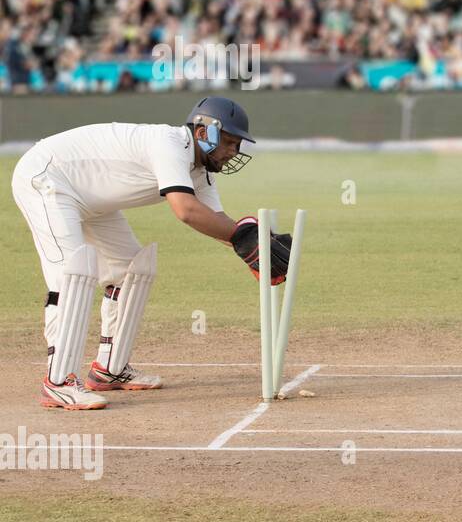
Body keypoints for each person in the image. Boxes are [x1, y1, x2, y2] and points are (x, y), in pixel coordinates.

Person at [10, 96, 294, 410]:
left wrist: (260, 243)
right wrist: (242, 238)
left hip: (90, 197)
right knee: (72, 276)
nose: (233, 152)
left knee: (131, 269)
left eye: (237, 145)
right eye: (229, 142)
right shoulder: (170, 145)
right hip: (48, 178)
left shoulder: (200, 171)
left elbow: (218, 223)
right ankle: (58, 382)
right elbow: (185, 211)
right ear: (203, 132)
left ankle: (109, 369)